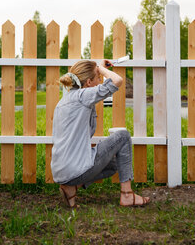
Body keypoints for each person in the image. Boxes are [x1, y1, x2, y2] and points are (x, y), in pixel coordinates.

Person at [51, 59, 150, 208]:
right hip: (75, 170)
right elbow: (117, 80)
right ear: (89, 82)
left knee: (114, 164)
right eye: (98, 78)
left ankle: (72, 188)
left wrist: (98, 69)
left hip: (60, 172)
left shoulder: (65, 100)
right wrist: (100, 68)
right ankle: (127, 195)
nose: (100, 81)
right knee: (123, 136)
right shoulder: (83, 96)